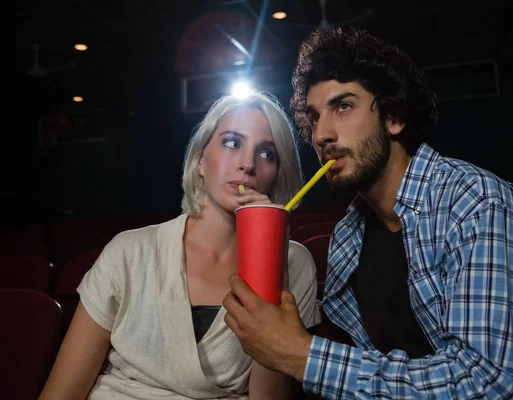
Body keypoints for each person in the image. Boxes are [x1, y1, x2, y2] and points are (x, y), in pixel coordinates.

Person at [222, 28, 513, 399]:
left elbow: (488, 384)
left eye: (343, 106)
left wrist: (302, 355)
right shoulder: (349, 236)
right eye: (313, 118)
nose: (321, 135)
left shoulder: (477, 205)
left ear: (393, 117)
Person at [39, 91, 321, 399]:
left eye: (267, 153)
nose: (247, 164)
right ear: (201, 161)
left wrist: (270, 252)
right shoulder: (128, 252)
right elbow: (61, 394)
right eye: (232, 142)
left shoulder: (293, 262)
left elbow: (269, 398)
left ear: (277, 174)